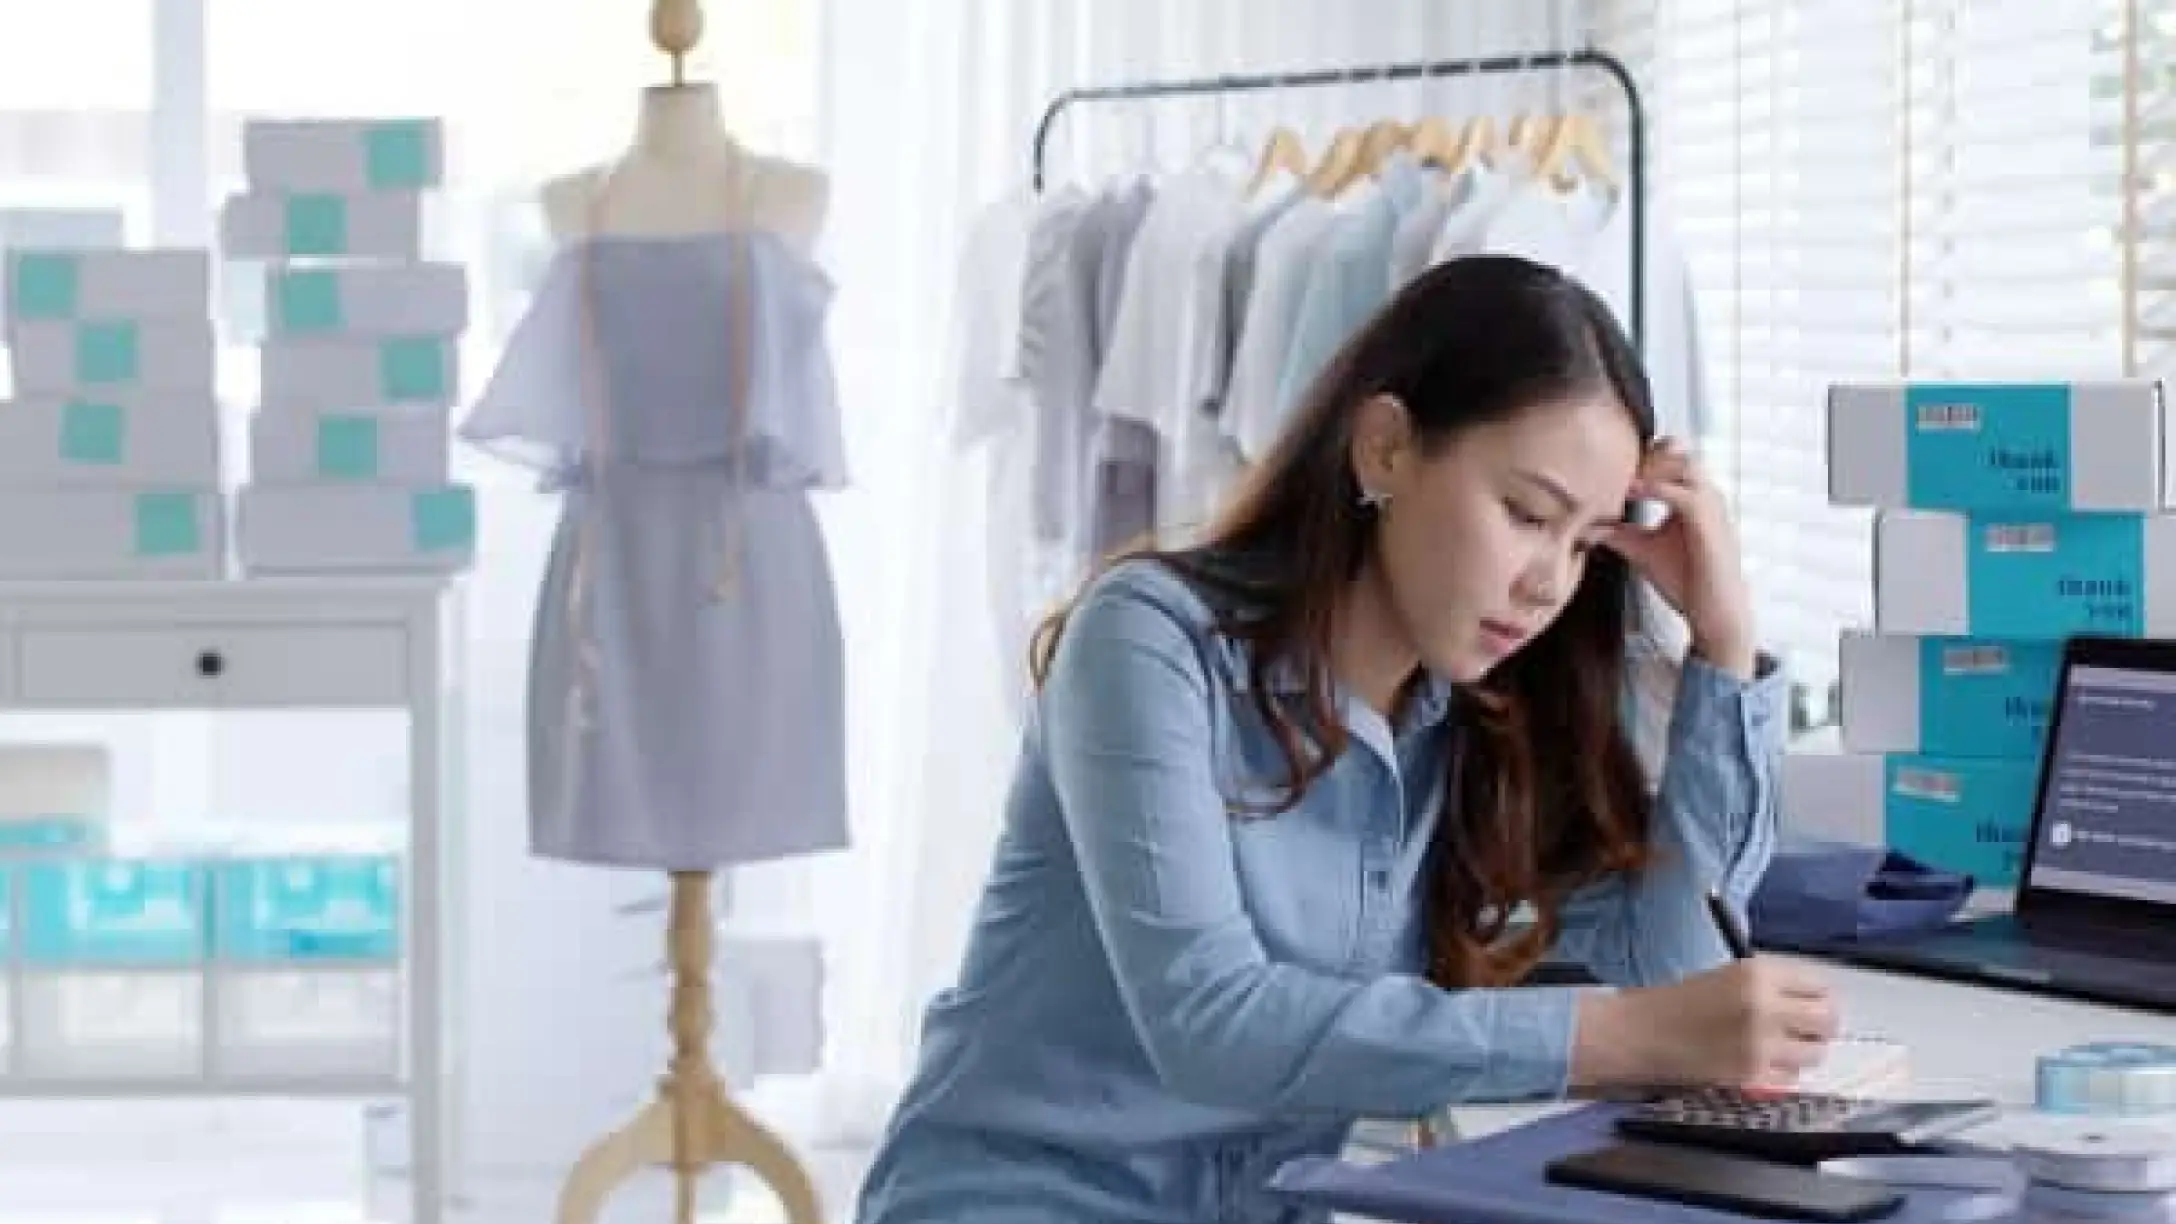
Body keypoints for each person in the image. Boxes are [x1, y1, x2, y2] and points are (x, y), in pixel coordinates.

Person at [855, 254, 1833, 1224]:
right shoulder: (1149, 640)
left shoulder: (1476, 718)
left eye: (1583, 542)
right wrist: (1614, 1036)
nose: (1548, 583)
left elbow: (1675, 969)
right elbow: (1209, 1021)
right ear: (1385, 450)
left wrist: (1722, 645)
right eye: (1527, 515)